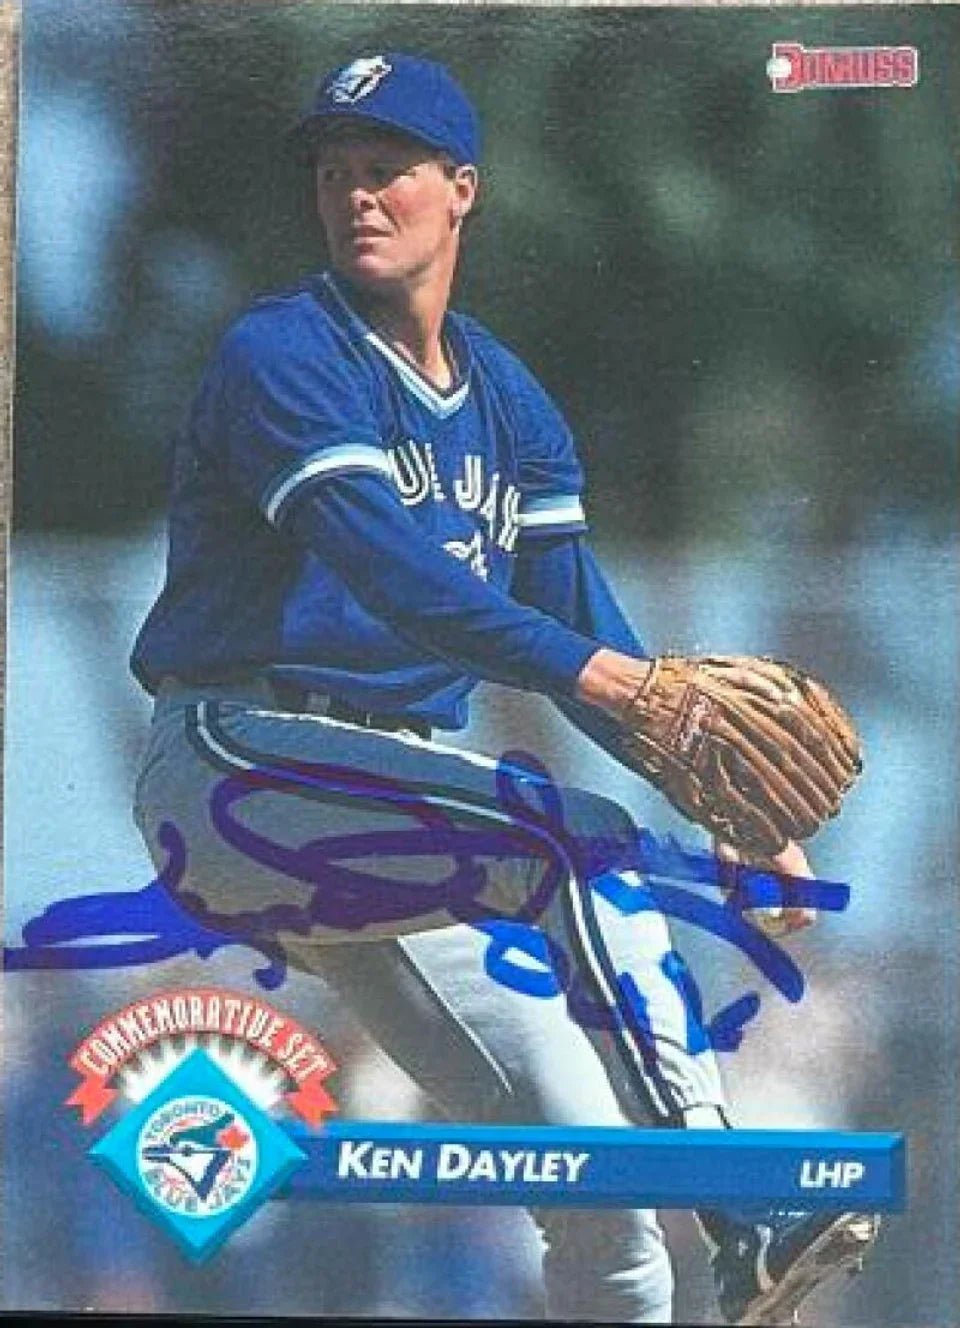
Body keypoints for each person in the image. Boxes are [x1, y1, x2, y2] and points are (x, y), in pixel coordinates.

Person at [131, 52, 878, 1324]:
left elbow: (579, 622)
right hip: (237, 767)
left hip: (390, 814)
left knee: (595, 1182)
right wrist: (616, 678)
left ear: (461, 189)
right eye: (334, 172)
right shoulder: (285, 352)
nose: (357, 196)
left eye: (387, 169)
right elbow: (398, 572)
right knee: (574, 839)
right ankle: (740, 1210)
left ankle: (688, 1254)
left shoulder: (509, 402)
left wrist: (736, 809)